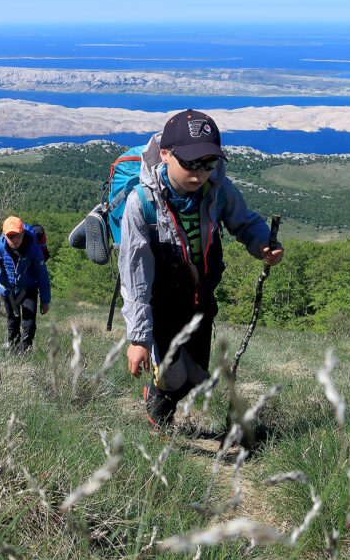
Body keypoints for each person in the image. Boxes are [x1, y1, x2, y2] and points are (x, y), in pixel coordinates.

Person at [119, 109, 283, 431]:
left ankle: (161, 398)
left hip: (200, 298)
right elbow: (135, 273)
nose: (200, 173)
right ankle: (158, 421)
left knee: (196, 376)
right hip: (161, 304)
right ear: (165, 155)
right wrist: (139, 337)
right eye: (190, 163)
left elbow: (244, 221)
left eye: (208, 163)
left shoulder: (217, 189)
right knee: (172, 378)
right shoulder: (142, 204)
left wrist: (262, 243)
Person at [0, 216, 51, 353]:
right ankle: (13, 347)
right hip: (8, 291)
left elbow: (43, 276)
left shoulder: (33, 249)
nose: (14, 239)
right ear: (4, 235)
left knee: (29, 324)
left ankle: (24, 352)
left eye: (17, 235)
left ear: (22, 233)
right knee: (13, 322)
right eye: (10, 236)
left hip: (29, 290)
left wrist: (45, 301)